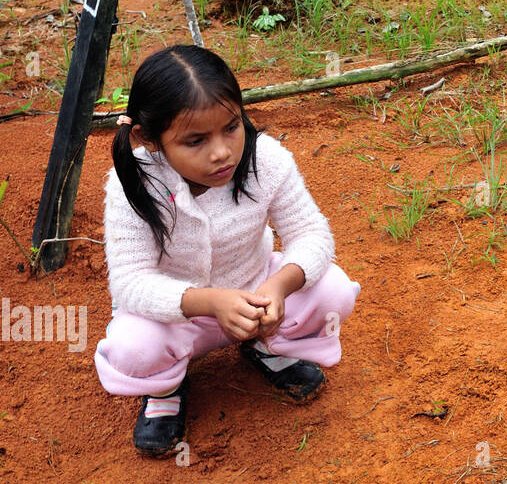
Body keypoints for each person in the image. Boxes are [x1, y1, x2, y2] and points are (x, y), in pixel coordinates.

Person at [95, 45, 360, 456]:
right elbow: (129, 284)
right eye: (196, 140)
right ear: (149, 139)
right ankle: (167, 384)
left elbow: (313, 234)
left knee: (334, 292)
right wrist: (210, 302)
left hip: (256, 297)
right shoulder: (132, 184)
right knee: (134, 347)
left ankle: (266, 346)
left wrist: (277, 288)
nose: (222, 152)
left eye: (231, 127)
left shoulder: (266, 161)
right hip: (179, 315)